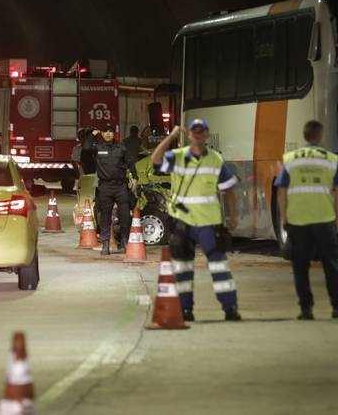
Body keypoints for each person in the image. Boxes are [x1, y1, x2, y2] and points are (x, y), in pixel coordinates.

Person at [150, 118, 242, 322]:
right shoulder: (177, 156)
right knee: (183, 267)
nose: (198, 135)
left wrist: (233, 217)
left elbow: (228, 190)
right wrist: (171, 137)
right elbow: (155, 160)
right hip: (183, 221)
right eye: (194, 132)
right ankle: (185, 310)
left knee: (219, 265)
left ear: (207, 135)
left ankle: (230, 308)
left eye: (202, 132)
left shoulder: (216, 159)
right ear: (189, 135)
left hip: (209, 222)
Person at [275, 120, 338, 320]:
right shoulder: (331, 159)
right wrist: (336, 216)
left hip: (298, 221)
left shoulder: (290, 159)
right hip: (324, 219)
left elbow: (281, 191)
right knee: (331, 265)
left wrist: (284, 217)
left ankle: (306, 309)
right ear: (320, 136)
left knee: (300, 267)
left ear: (305, 135)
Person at [82, 124, 138, 255]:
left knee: (124, 215)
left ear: (114, 134)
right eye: (105, 132)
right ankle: (105, 243)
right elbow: (85, 148)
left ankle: (124, 240)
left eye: (110, 132)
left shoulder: (121, 147)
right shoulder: (98, 147)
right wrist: (92, 135)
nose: (108, 134)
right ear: (102, 134)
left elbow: (130, 162)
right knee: (105, 216)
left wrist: (135, 178)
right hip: (105, 186)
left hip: (120, 186)